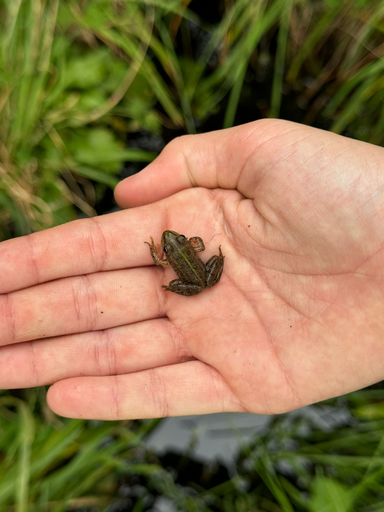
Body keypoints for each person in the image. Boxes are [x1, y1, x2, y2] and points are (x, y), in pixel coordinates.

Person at [0, 119, 383, 420]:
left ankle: (178, 288)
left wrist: (160, 257)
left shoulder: (166, 256)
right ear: (179, 245)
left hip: (195, 281)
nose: (171, 242)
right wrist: (196, 251)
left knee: (188, 283)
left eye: (171, 242)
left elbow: (158, 261)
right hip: (202, 276)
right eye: (171, 243)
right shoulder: (189, 247)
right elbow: (195, 248)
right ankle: (194, 280)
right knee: (206, 274)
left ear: (174, 245)